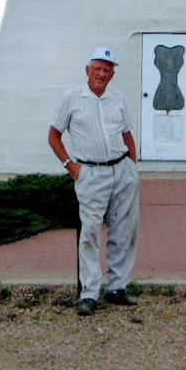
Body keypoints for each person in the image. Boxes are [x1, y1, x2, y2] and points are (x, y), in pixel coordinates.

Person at [48, 46, 140, 316]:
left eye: (108, 70)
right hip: (90, 172)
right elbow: (54, 135)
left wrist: (132, 168)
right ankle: (89, 293)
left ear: (112, 74)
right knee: (89, 233)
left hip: (122, 171)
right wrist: (71, 166)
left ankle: (117, 287)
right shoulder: (71, 99)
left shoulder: (118, 99)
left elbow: (127, 135)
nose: (103, 74)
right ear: (87, 70)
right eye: (98, 69)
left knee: (124, 231)